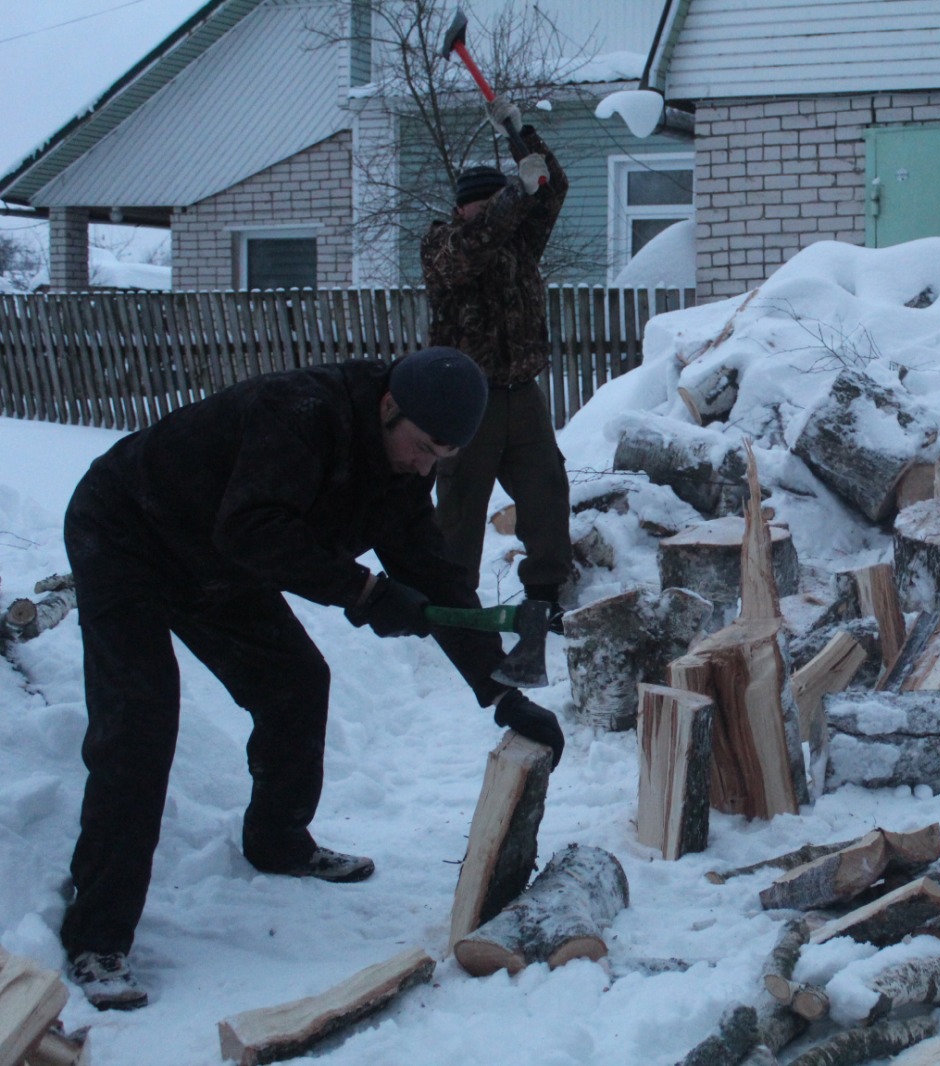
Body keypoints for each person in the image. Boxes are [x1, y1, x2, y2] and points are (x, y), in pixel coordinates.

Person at [58, 347, 565, 1011]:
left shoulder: (403, 470)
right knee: (141, 719)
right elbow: (252, 526)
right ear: (388, 405)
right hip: (130, 530)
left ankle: (278, 841)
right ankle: (95, 936)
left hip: (217, 560)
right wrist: (363, 590)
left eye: (441, 457)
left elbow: (438, 578)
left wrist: (501, 692)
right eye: (420, 447)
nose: (423, 465)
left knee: (296, 681)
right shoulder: (299, 413)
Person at [422, 95, 572, 629]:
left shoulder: (519, 245)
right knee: (460, 505)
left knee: (546, 493)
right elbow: (477, 244)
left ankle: (547, 594)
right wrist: (514, 194)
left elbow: (551, 191)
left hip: (521, 391)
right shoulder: (444, 245)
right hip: (468, 397)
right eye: (479, 206)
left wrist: (520, 134)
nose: (489, 214)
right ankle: (452, 601)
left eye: (496, 204)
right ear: (462, 209)